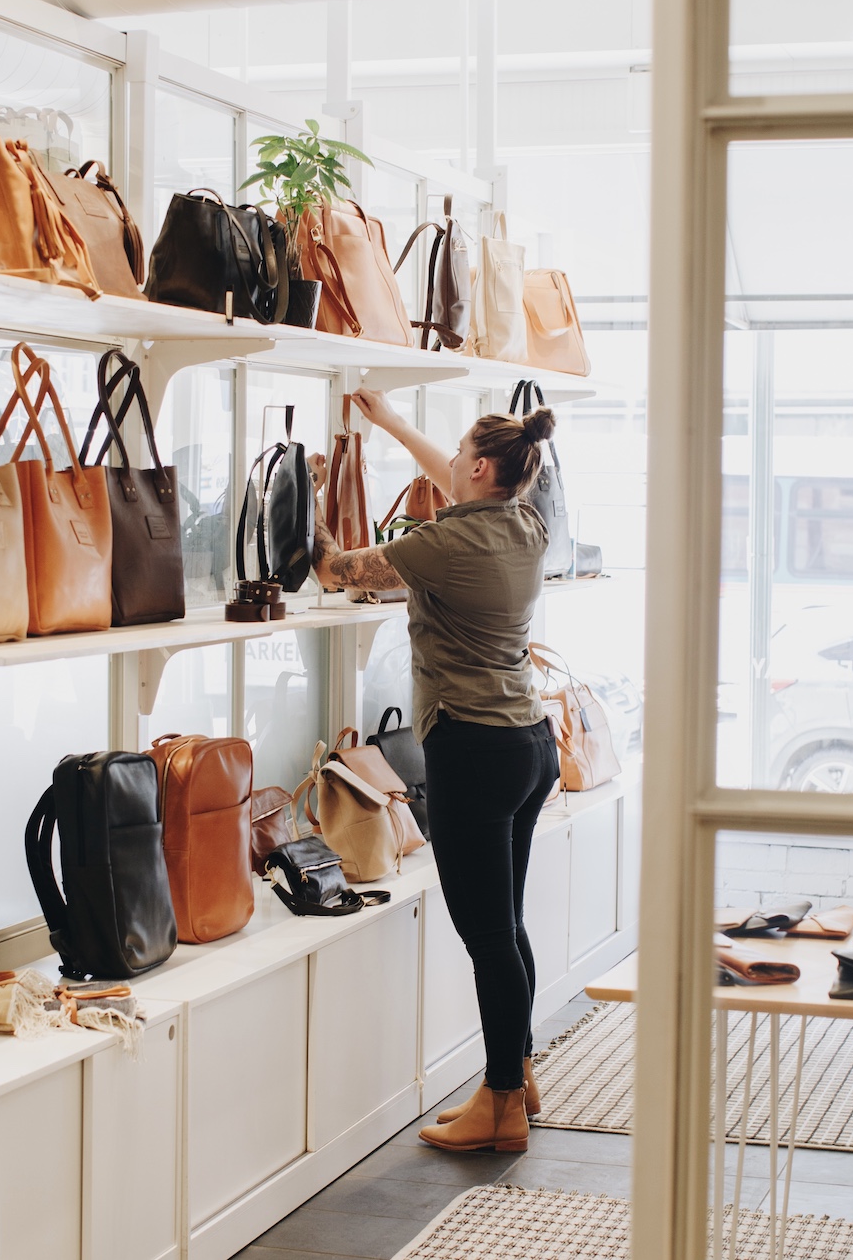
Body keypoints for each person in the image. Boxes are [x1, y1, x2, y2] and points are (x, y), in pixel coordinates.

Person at [310, 387, 562, 1154]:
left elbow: (334, 568)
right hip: (529, 744)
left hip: (473, 751)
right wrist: (389, 423)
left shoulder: (438, 546)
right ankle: (515, 1073)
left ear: (482, 467)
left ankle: (502, 1106)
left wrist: (315, 484)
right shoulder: (527, 521)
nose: (447, 461)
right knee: (508, 923)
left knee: (486, 935)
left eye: (458, 454)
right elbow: (457, 483)